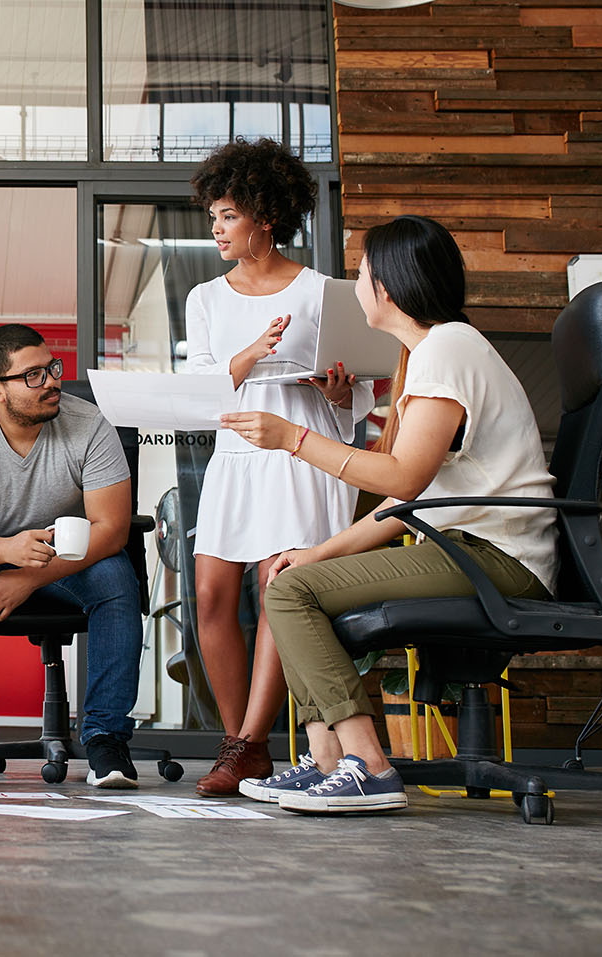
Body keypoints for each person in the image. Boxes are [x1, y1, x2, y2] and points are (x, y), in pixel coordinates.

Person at [219, 215, 556, 814]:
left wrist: (293, 437)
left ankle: (368, 766)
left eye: (363, 272)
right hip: (470, 547)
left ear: (391, 287)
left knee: (292, 594)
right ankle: (328, 759)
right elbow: (410, 501)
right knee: (291, 580)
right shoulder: (434, 351)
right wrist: (318, 552)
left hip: (497, 557)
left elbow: (401, 479)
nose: (356, 285)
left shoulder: (446, 350)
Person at [182, 138, 376, 797]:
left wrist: (339, 390)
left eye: (228, 215)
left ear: (265, 215)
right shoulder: (206, 298)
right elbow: (201, 391)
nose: (217, 228)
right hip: (236, 457)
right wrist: (247, 354)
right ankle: (243, 743)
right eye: (213, 217)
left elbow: (360, 396)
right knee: (209, 593)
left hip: (303, 455)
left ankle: (246, 745)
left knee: (276, 592)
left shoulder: (325, 292)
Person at [0, 324, 143, 789]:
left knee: (117, 579)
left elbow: (112, 530)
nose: (54, 381)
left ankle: (106, 738)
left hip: (71, 561)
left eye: (53, 368)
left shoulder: (89, 426)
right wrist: (7, 553)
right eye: (35, 375)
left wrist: (27, 578)